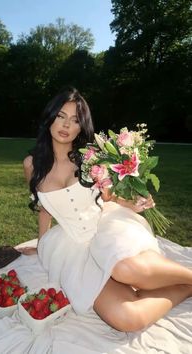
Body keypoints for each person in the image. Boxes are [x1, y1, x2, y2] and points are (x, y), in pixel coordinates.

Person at [17, 86, 192, 333]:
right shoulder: (31, 165)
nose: (66, 125)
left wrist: (132, 203)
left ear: (81, 126)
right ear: (50, 117)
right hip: (73, 245)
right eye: (61, 116)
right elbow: (43, 208)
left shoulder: (89, 157)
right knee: (126, 319)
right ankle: (186, 287)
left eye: (75, 120)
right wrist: (42, 243)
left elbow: (108, 197)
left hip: (105, 227)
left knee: (125, 269)